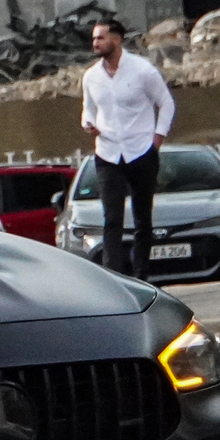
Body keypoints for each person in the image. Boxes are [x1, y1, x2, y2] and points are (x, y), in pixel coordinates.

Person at [79, 17, 175, 277]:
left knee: (143, 219)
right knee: (112, 218)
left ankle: (142, 276)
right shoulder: (91, 76)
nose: (95, 43)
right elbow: (88, 109)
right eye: (94, 38)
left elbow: (166, 103)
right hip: (107, 152)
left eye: (101, 37)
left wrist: (157, 139)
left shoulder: (142, 70)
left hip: (141, 150)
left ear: (117, 39)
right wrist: (88, 123)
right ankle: (116, 279)